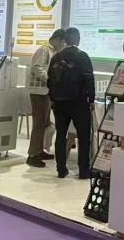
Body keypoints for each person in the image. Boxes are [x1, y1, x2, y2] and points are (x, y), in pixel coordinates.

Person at [48, 27, 95, 179]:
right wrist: (91, 99)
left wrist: (53, 98)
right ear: (78, 39)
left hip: (59, 103)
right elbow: (89, 79)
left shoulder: (56, 57)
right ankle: (83, 170)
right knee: (83, 136)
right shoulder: (83, 56)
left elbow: (49, 80)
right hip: (79, 103)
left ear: (65, 40)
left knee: (61, 135)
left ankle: (61, 169)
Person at [26, 29, 66, 168]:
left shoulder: (52, 51)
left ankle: (39, 150)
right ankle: (32, 155)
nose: (63, 45)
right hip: (39, 92)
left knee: (45, 123)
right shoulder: (43, 50)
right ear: (58, 39)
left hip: (46, 91)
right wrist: (50, 79)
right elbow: (36, 67)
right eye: (63, 42)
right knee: (39, 124)